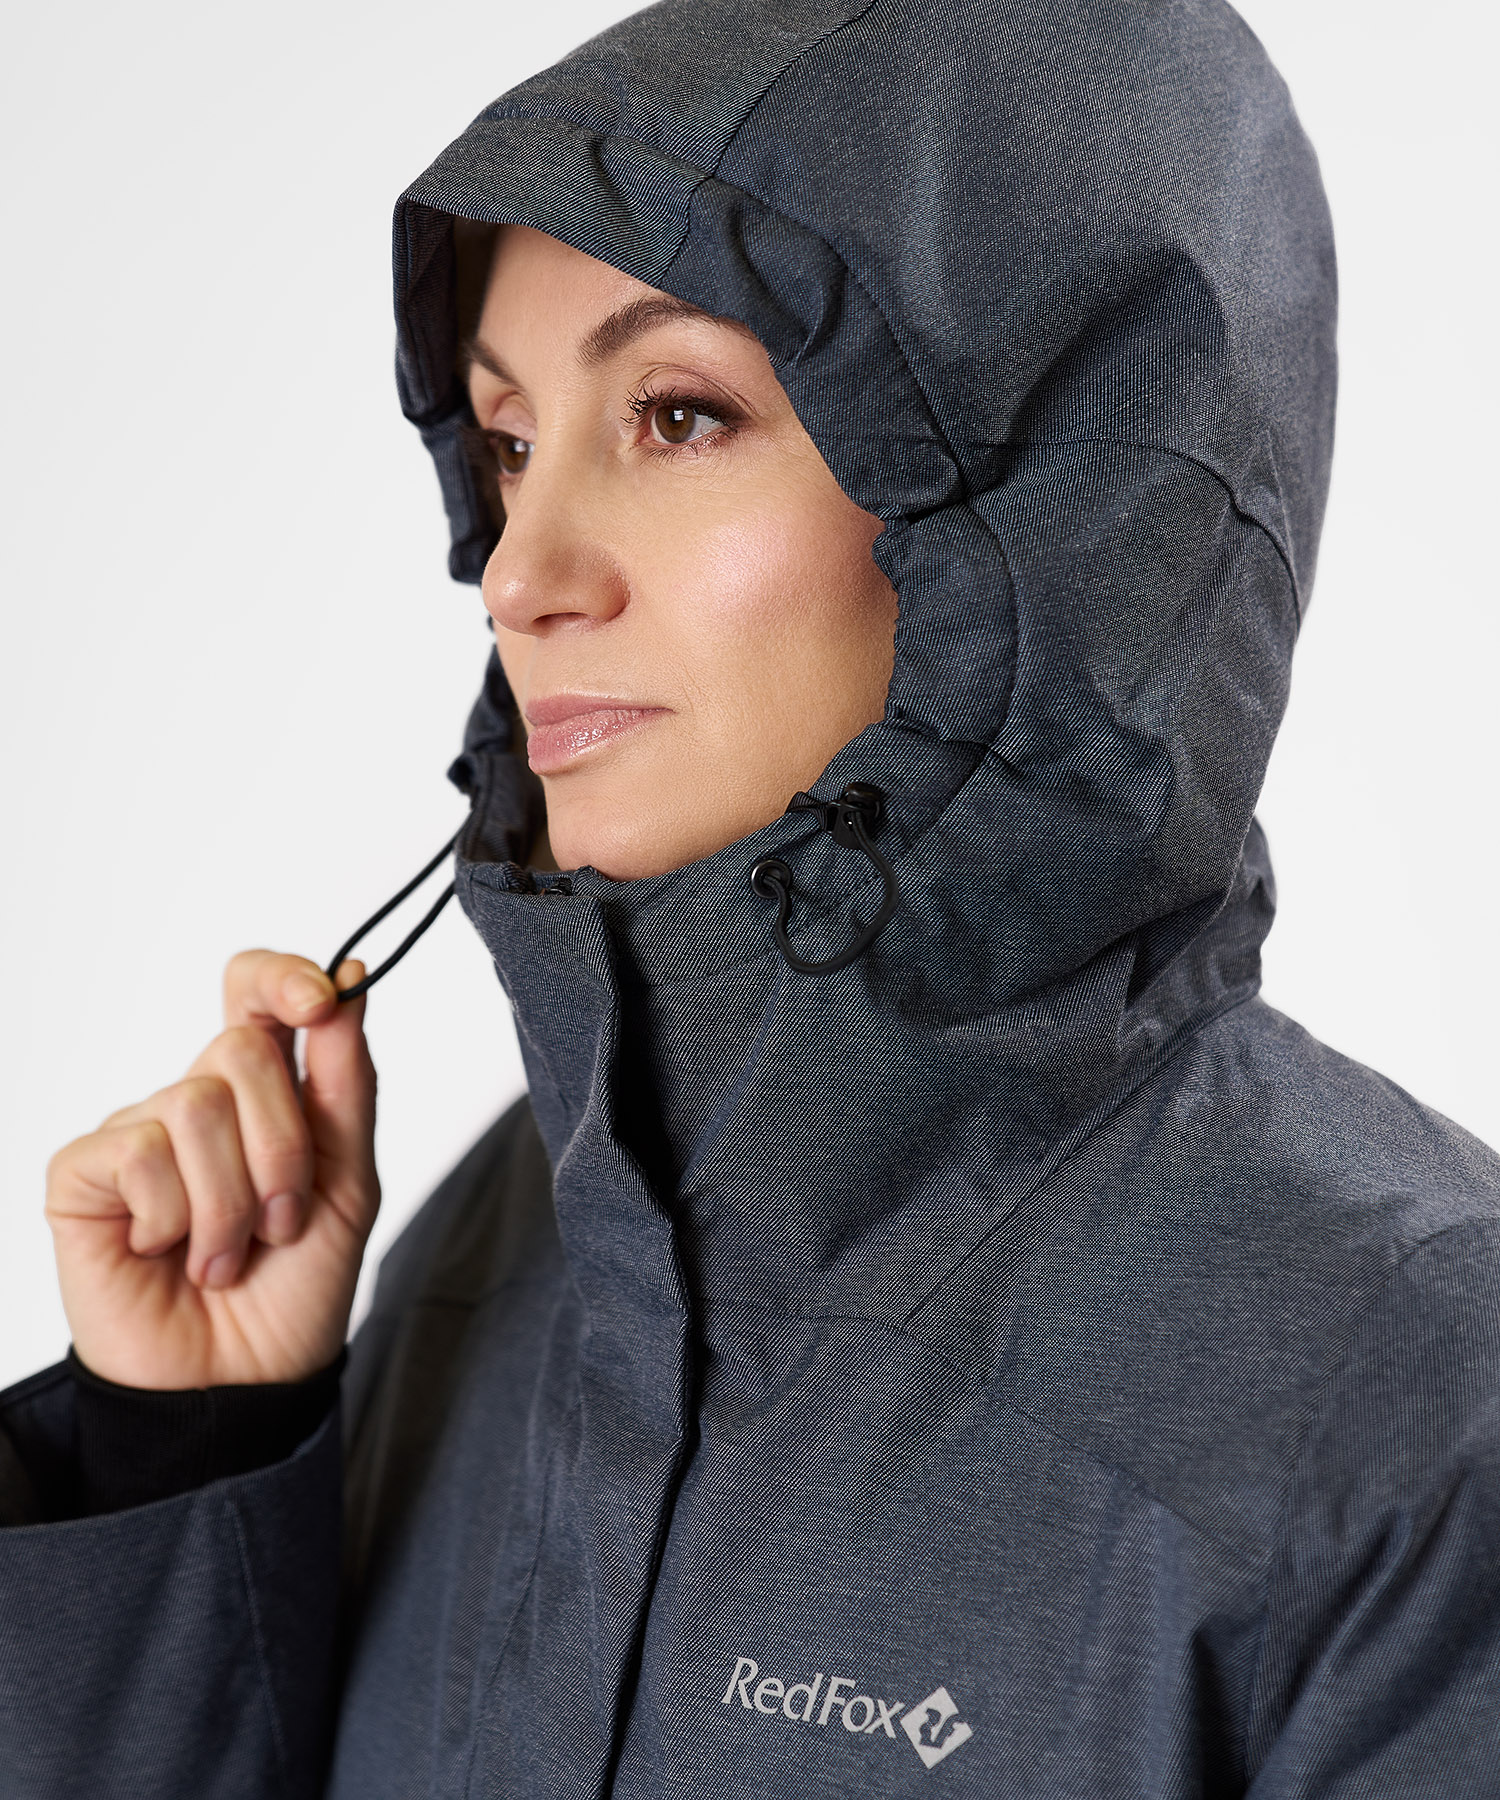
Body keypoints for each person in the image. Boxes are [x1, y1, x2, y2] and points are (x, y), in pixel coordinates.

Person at [3, 0, 1499, 1794]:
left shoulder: (1416, 1392)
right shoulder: (496, 1248)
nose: (519, 571)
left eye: (679, 413)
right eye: (508, 441)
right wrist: (188, 1454)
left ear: (1047, 514)